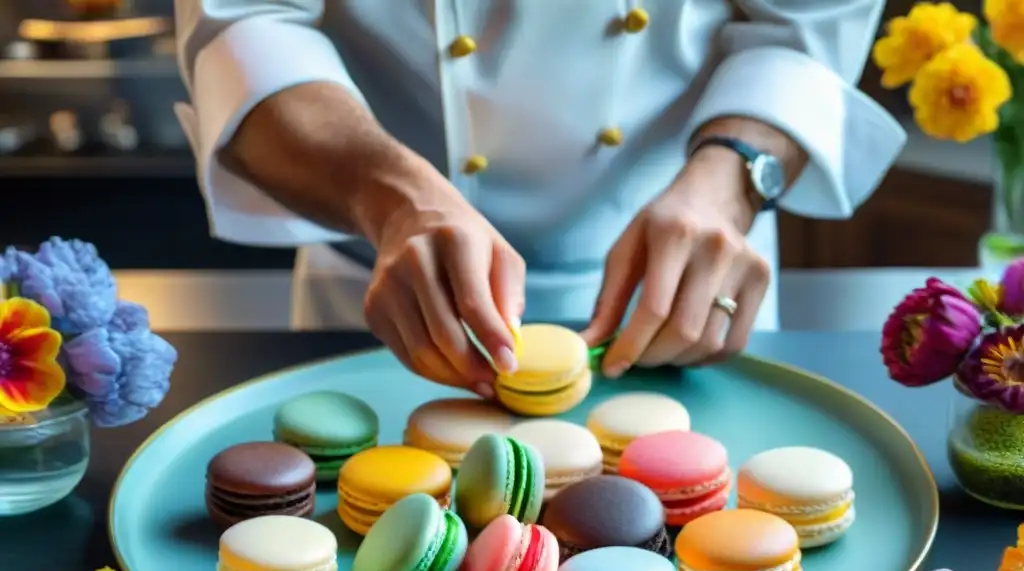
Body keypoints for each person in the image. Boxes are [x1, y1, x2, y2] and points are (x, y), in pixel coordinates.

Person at [173, 1, 905, 397]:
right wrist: (390, 198)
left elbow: (803, 27)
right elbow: (243, 25)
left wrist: (731, 178)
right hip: (384, 294)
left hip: (688, 283)